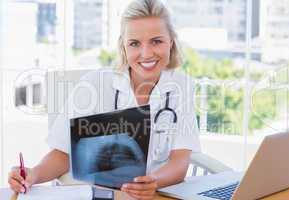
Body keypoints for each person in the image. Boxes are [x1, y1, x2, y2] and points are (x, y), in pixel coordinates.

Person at [8, 0, 201, 199]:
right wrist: (33, 175)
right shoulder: (94, 85)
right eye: (134, 43)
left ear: (171, 41)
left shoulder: (181, 86)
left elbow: (179, 162)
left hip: (152, 195)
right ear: (123, 47)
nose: (146, 53)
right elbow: (62, 154)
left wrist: (153, 181)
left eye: (156, 41)